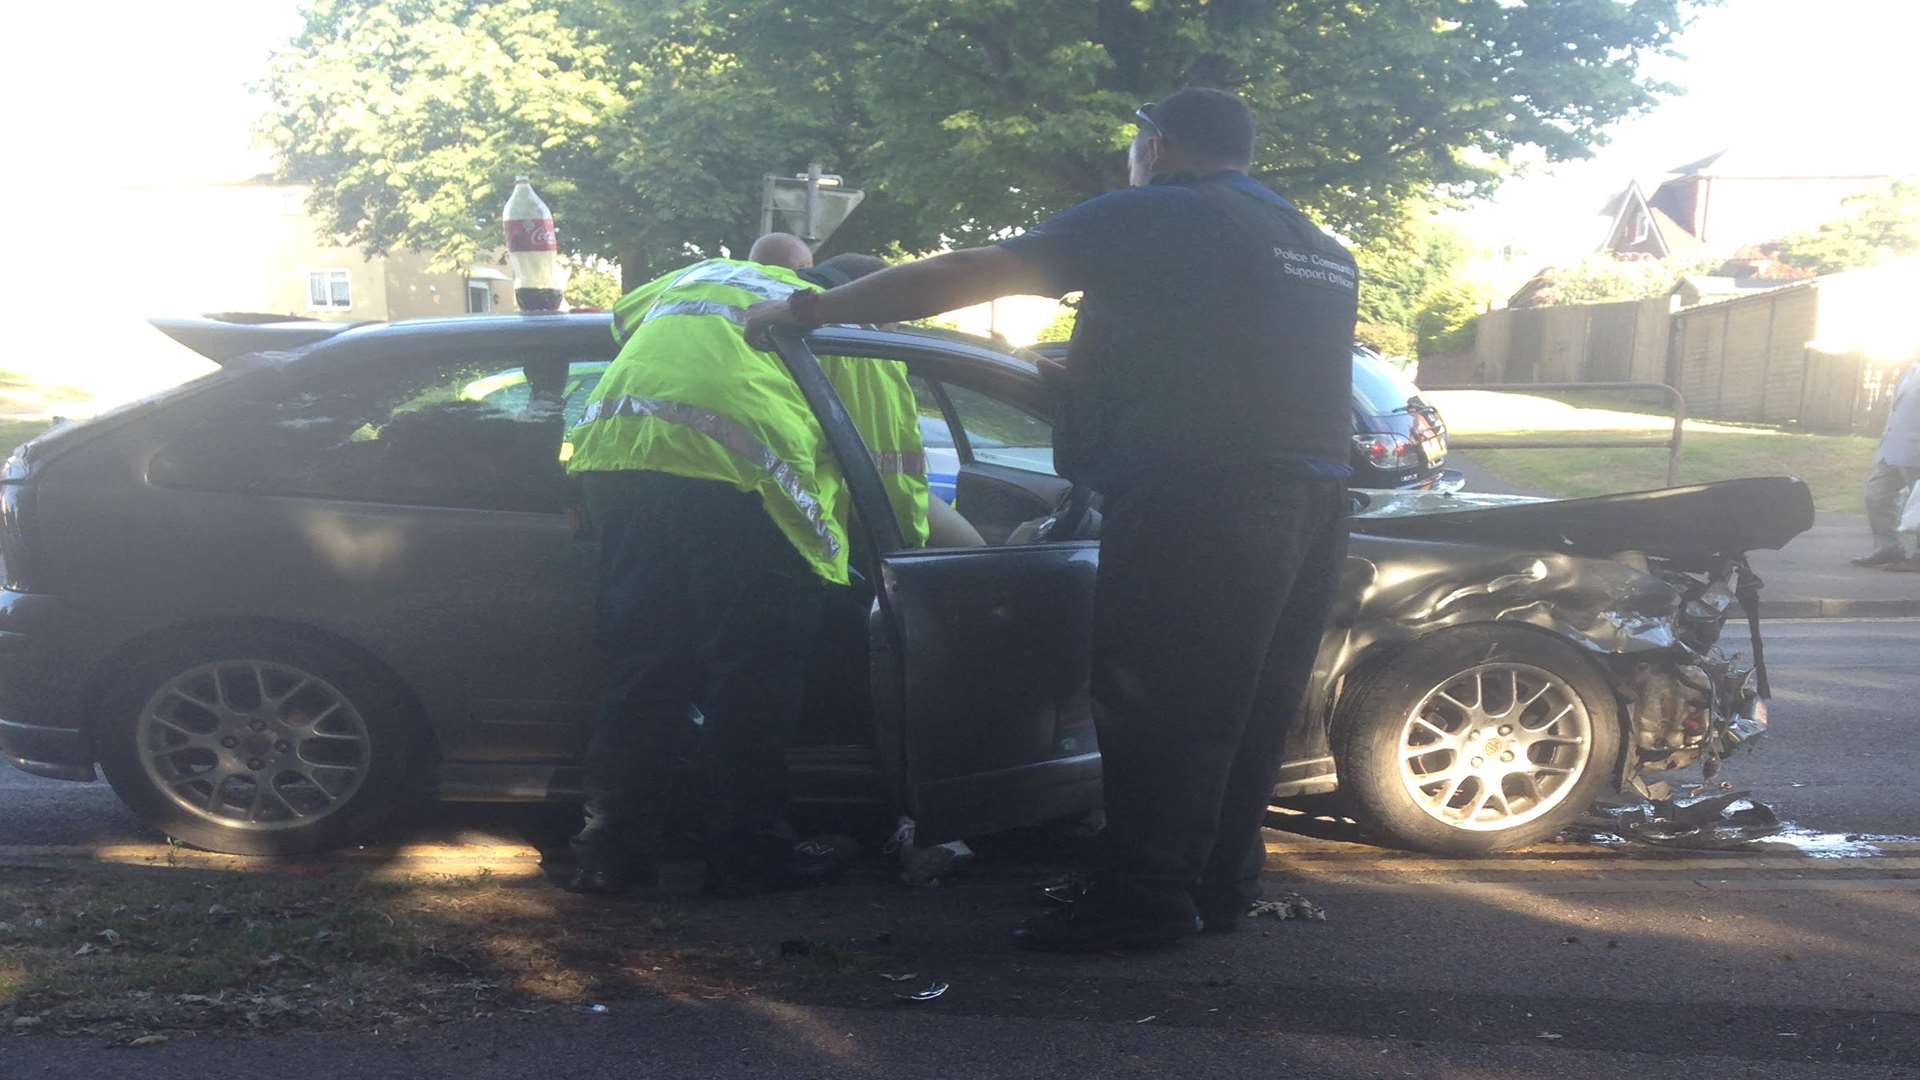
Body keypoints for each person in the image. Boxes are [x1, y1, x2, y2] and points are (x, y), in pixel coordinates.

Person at [746, 87, 1357, 951]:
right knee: (1247, 708)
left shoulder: (1160, 214)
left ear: (1156, 144)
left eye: (1135, 144)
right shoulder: (1311, 244)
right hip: (1314, 500)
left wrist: (804, 309)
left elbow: (969, 273)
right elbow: (1222, 361)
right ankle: (1215, 888)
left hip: (1203, 499)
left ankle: (1139, 906)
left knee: (1163, 705)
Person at [562, 235, 937, 897]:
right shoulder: (846, 325)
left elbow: (622, 317)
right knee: (751, 675)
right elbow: (889, 470)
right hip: (736, 482)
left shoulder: (709, 274)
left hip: (618, 455)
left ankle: (610, 853)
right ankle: (746, 852)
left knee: (645, 662)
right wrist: (908, 565)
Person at [1852, 358, 1920, 568]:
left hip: (1916, 449)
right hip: (1892, 449)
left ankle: (1917, 557)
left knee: (1917, 505)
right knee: (1876, 495)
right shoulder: (1911, 369)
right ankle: (1889, 548)